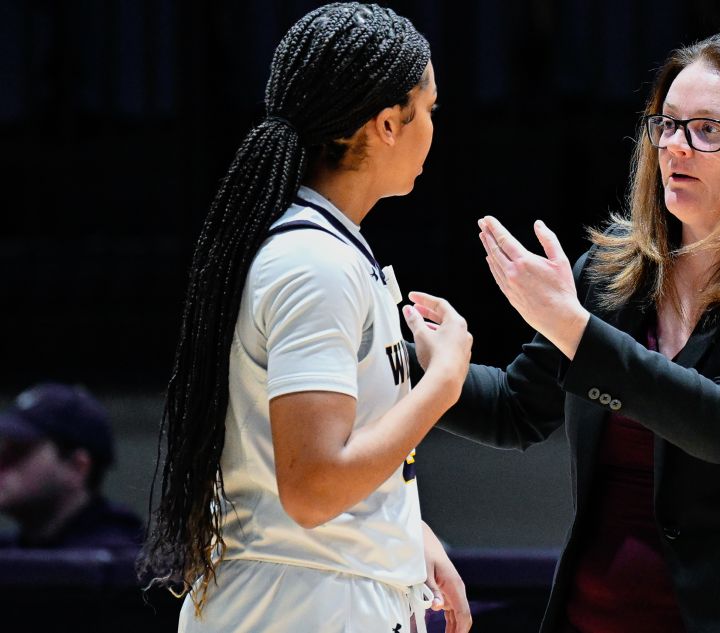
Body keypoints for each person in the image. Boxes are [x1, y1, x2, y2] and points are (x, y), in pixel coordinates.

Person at [411, 34, 720, 632]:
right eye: (667, 125)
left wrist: (572, 327)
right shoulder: (613, 275)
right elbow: (518, 408)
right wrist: (412, 360)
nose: (675, 147)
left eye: (706, 129)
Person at [136, 4, 473, 632]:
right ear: (386, 126)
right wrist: (443, 383)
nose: (434, 127)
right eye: (428, 109)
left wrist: (407, 534)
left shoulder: (324, 247)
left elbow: (305, 463)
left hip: (312, 596)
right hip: (300, 608)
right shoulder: (313, 262)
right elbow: (313, 487)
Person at [0, 382, 143, 551]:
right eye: (4, 450)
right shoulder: (14, 550)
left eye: (19, 451)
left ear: (78, 466)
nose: (2, 463)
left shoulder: (121, 561)